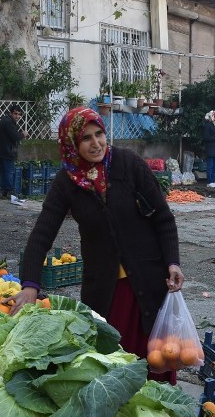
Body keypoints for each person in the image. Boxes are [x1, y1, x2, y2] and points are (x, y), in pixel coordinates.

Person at [12, 107, 185, 383]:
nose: (96, 144)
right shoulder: (66, 182)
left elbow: (163, 219)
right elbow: (42, 233)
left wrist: (173, 262)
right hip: (106, 291)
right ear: (71, 144)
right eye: (86, 139)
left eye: (99, 134)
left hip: (149, 284)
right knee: (111, 369)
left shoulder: (129, 165)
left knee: (154, 368)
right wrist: (30, 284)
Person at [0, 104, 25, 199]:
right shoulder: (8, 123)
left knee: (3, 170)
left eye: (19, 114)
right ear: (11, 113)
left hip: (2, 150)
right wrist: (23, 134)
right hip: (6, 151)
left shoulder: (7, 121)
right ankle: (9, 191)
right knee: (9, 171)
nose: (17, 116)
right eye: (15, 114)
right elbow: (15, 137)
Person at [203, 110, 215, 188]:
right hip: (210, 148)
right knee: (210, 166)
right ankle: (209, 181)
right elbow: (206, 137)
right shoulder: (207, 125)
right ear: (213, 116)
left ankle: (213, 181)